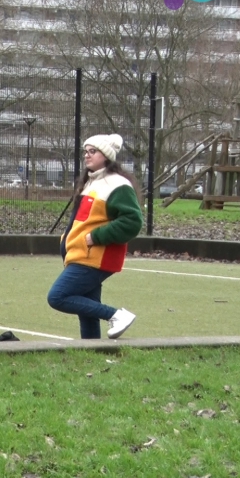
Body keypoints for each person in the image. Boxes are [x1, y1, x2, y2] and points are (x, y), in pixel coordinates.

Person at [48, 134, 142, 339]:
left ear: (106, 156)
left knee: (57, 296)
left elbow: (132, 221)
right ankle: (91, 350)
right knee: (86, 312)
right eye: (85, 151)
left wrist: (96, 237)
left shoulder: (117, 184)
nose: (87, 156)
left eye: (93, 151)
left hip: (94, 256)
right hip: (82, 254)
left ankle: (116, 315)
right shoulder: (91, 183)